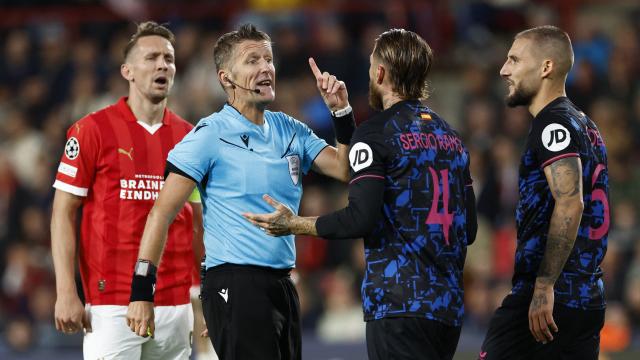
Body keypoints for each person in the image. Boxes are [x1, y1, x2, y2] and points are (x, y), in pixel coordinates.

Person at [244, 28, 477, 360]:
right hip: (448, 308)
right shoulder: (452, 138)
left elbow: (359, 218)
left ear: (379, 73)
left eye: (371, 65)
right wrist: (342, 114)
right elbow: (468, 231)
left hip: (397, 306)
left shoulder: (376, 132)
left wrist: (294, 224)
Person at [125, 23, 354, 360]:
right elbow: (162, 212)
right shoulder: (210, 135)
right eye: (252, 61)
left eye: (269, 60)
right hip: (234, 281)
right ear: (225, 78)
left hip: (284, 285)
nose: (265, 68)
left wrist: (341, 113)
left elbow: (345, 169)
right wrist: (142, 290)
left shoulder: (290, 129)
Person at [51, 21, 203, 359]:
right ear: (127, 71)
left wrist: (203, 291)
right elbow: (63, 211)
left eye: (169, 58)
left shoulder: (190, 138)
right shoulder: (91, 130)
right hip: (111, 303)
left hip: (176, 303)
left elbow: (196, 221)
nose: (163, 64)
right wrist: (65, 291)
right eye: (151, 58)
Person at [476, 26, 609, 359]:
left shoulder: (553, 125)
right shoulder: (586, 125)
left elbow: (570, 201)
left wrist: (544, 284)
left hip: (547, 302)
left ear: (546, 67)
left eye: (514, 59)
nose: (504, 69)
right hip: (587, 295)